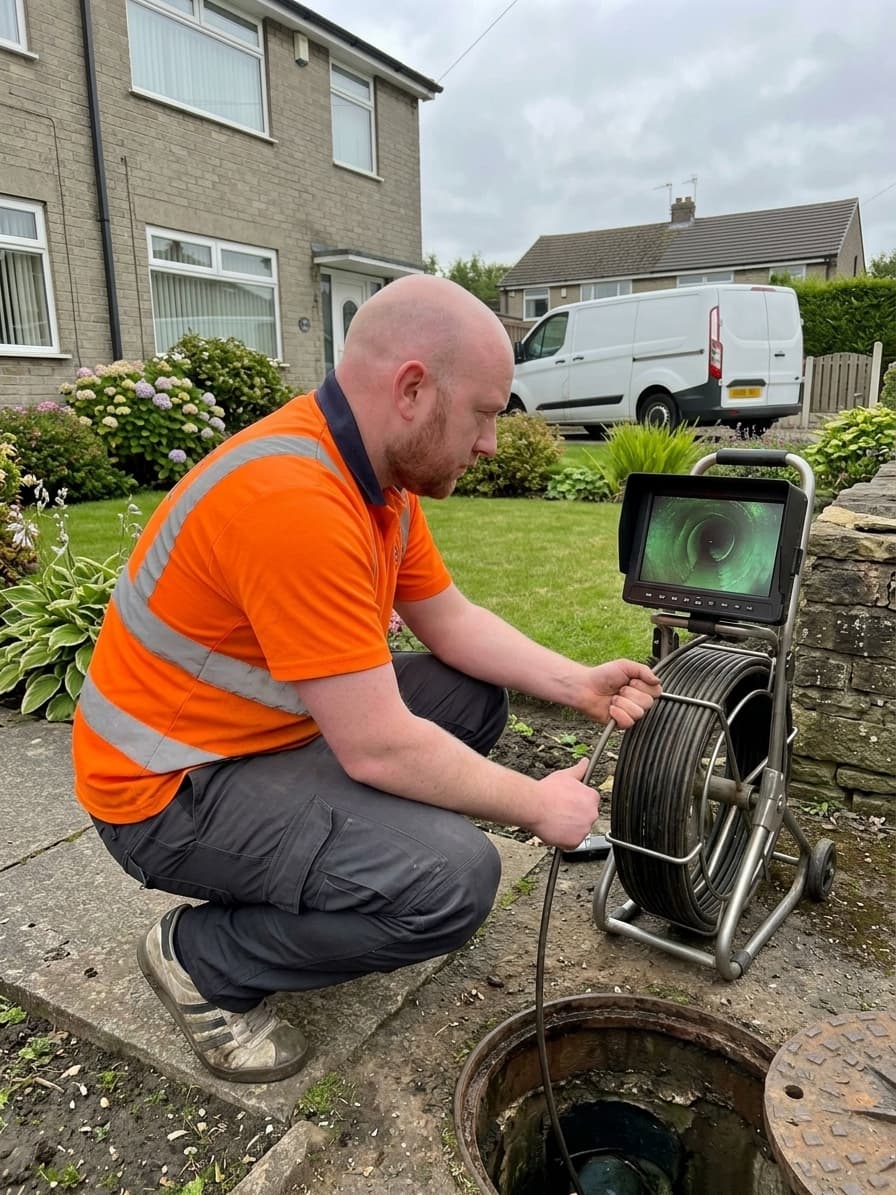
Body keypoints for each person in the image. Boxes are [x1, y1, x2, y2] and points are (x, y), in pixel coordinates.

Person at [72, 275, 660, 1085]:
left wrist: (577, 682)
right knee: (454, 881)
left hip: (249, 738)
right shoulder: (294, 501)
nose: (492, 442)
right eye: (485, 413)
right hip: (164, 790)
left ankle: (352, 860)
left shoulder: (374, 481)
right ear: (412, 388)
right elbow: (380, 745)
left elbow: (449, 620)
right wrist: (537, 805)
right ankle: (202, 958)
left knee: (470, 696)